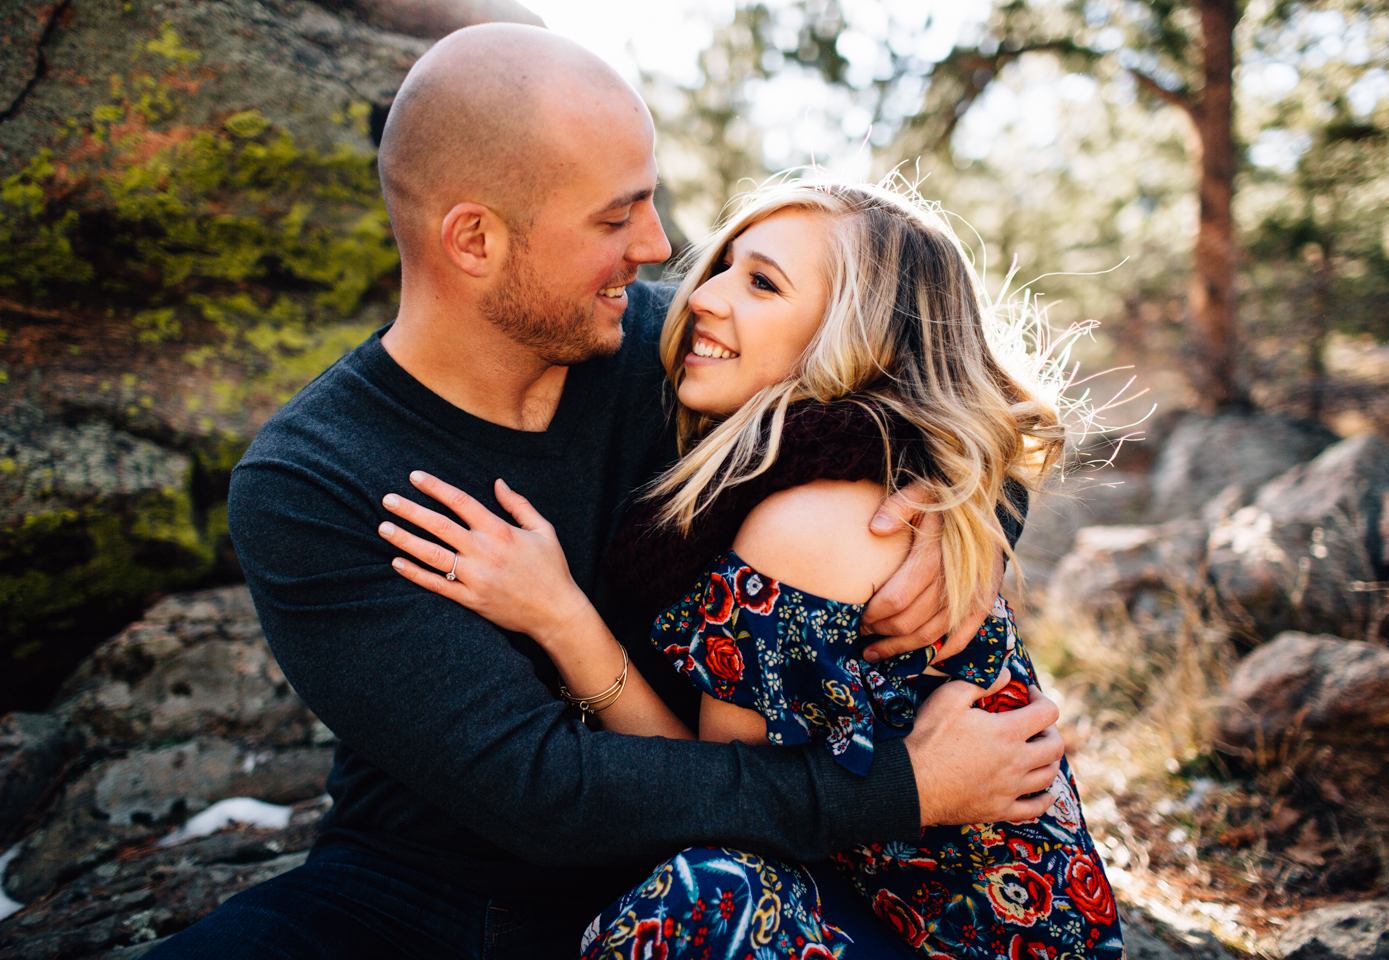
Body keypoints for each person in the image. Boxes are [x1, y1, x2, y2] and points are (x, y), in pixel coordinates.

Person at [149, 24, 1066, 960]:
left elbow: (937, 394)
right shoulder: (313, 477)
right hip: (420, 896)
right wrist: (904, 789)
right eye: (615, 217)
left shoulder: (684, 353)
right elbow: (546, 791)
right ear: (474, 239)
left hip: (737, 879)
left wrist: (955, 516)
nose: (662, 248)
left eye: (652, 202)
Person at [381, 181, 1124, 959]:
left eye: (762, 283)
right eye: (725, 264)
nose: (702, 295)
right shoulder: (846, 467)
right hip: (891, 904)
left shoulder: (803, 522)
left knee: (696, 901)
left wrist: (558, 615)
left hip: (976, 939)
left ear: (854, 336)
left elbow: (718, 796)